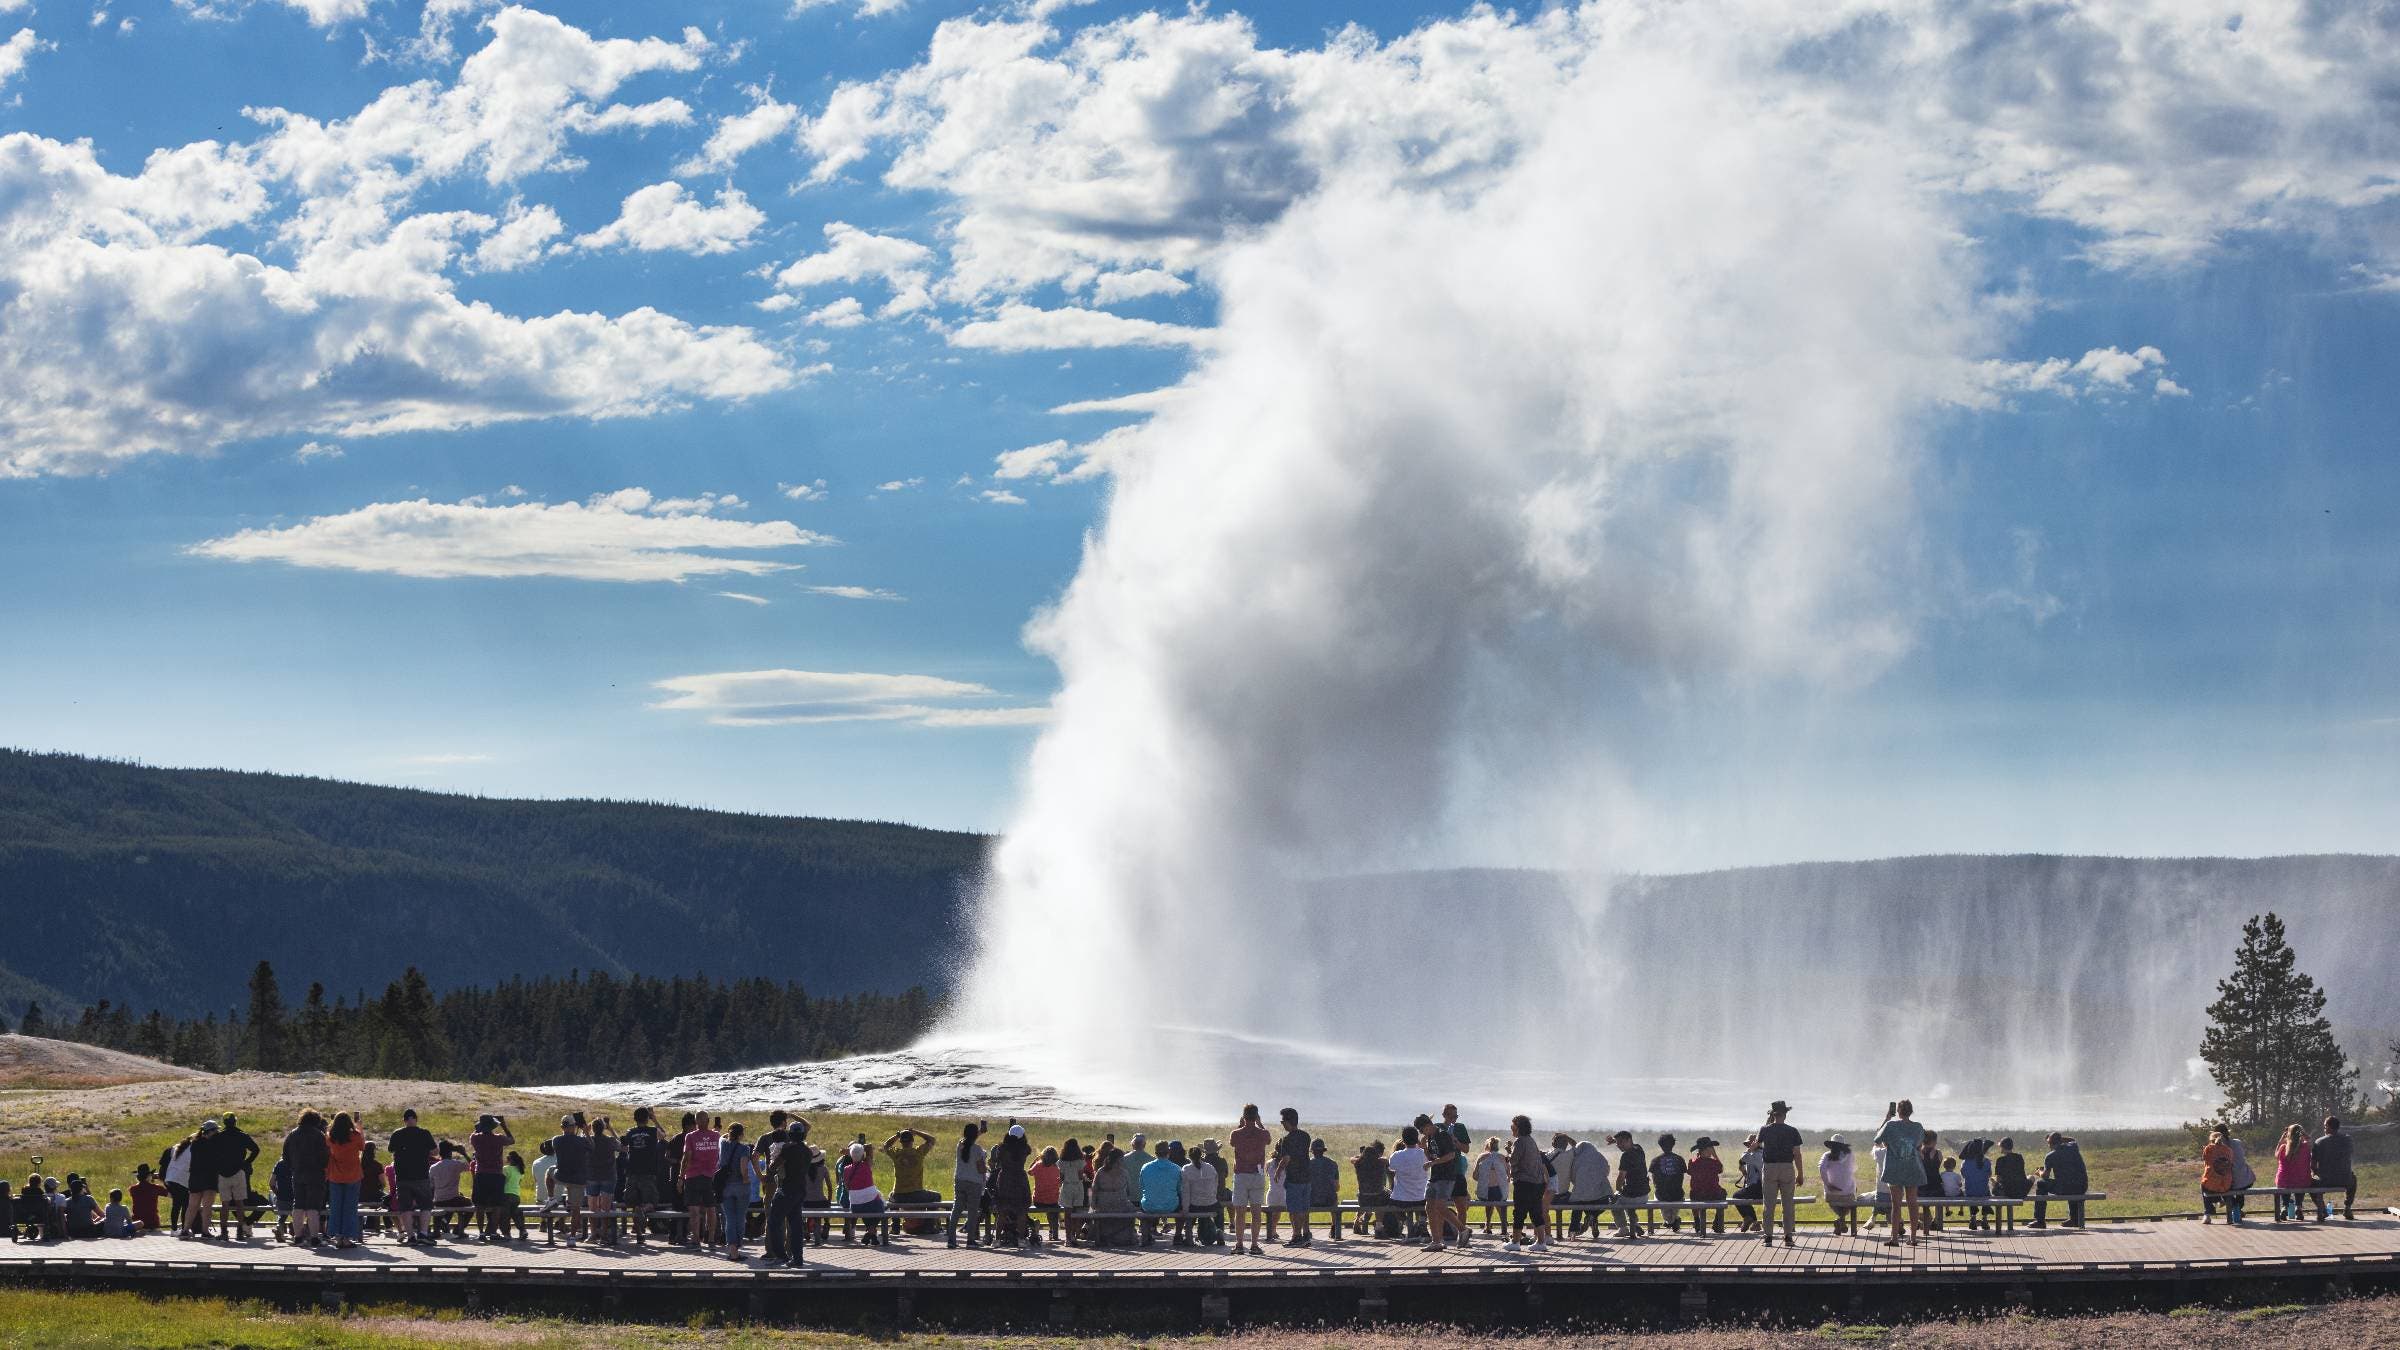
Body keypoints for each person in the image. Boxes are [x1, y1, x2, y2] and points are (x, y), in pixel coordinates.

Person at [1871, 1100, 1927, 1247]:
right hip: (1912, 1167)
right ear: (1911, 1111)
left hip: (1894, 1168)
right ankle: (1913, 1238)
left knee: (1896, 1205)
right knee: (1912, 1203)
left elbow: (1877, 1139)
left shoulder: (1891, 1125)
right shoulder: (1918, 1127)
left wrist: (1887, 1119)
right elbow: (1918, 1145)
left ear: (1898, 1111)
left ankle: (1894, 1238)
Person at [1757, 1101, 1803, 1248]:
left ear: (1772, 1114)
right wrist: (1800, 1173)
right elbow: (1797, 1154)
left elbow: (1755, 1146)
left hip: (1769, 1167)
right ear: (1785, 1114)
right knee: (1787, 1204)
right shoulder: (1793, 1131)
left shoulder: (1765, 1129)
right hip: (1787, 1167)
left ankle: (1768, 1237)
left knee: (1768, 1204)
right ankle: (1788, 1237)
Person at [618, 1108, 667, 1246]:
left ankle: (639, 1234)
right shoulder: (652, 1131)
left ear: (635, 1119)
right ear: (647, 1118)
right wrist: (655, 1119)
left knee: (634, 1203)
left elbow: (623, 1146)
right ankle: (644, 1211)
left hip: (632, 1172)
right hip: (648, 1172)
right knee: (651, 1202)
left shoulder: (630, 1132)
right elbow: (663, 1135)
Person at [282, 1110, 330, 1248]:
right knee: (313, 1207)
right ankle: (314, 1238)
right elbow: (325, 1156)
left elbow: (285, 1155)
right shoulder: (318, 1135)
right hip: (315, 1175)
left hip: (298, 1174)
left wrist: (293, 1167)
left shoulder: (292, 1134)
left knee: (298, 1205)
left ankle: (298, 1237)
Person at [1228, 1104, 1270, 1256]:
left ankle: (1239, 1244)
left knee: (1240, 1212)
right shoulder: (1263, 1133)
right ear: (1256, 1116)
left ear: (1244, 1117)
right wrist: (1260, 1124)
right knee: (1256, 1211)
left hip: (1240, 1175)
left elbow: (1233, 1143)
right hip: (1257, 1175)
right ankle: (1254, 1244)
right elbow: (1268, 1140)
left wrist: (1241, 1125)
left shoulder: (1236, 1133)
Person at [1505, 1115, 1551, 1251]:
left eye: (1512, 1126)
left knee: (1519, 1212)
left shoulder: (1519, 1141)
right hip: (1538, 1183)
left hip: (1524, 1182)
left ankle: (1515, 1242)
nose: (1511, 1129)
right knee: (1536, 1211)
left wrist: (1508, 1156)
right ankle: (1541, 1242)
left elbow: (1514, 1160)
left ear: (1518, 1128)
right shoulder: (1531, 1140)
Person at [467, 1114, 515, 1244]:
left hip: (481, 1174)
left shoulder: (475, 1138)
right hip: (496, 1174)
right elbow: (512, 1140)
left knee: (479, 1205)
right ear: (493, 1126)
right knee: (496, 1205)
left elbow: (474, 1133)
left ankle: (481, 1232)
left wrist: (478, 1127)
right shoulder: (498, 1139)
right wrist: (504, 1125)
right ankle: (493, 1231)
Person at [1422, 1115, 1468, 1249]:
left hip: (1446, 1176)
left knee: (1440, 1206)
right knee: (1429, 1207)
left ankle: (1462, 1229)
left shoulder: (1443, 1135)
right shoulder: (1430, 1137)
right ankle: (1436, 1241)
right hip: (1435, 1175)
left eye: (1424, 1130)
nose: (1424, 1133)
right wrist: (1424, 1147)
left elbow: (1451, 1155)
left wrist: (1433, 1163)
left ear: (1429, 1125)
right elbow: (1432, 1156)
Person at [1271, 1108, 1315, 1247]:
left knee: (1294, 1209)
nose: (1282, 1124)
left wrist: (1278, 1170)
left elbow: (1286, 1159)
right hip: (1306, 1177)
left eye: (1282, 1121)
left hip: (1294, 1178)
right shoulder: (1306, 1136)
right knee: (1304, 1207)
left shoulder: (1287, 1139)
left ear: (1288, 1122)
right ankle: (1306, 1233)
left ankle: (1296, 1236)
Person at [678, 1112, 721, 1248]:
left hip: (692, 1175)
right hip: (711, 1176)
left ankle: (696, 1239)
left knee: (694, 1209)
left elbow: (687, 1157)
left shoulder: (690, 1136)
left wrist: (680, 1177)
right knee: (711, 1208)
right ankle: (712, 1239)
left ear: (696, 1121)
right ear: (708, 1120)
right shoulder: (716, 1136)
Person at [549, 1115, 593, 1244]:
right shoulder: (581, 1141)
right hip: (578, 1178)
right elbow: (592, 1147)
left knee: (549, 1172)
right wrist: (586, 1133)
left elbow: (567, 1144)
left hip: (561, 1175)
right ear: (574, 1127)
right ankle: (573, 1237)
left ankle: (551, 1198)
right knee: (576, 1209)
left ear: (562, 1127)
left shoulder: (556, 1140)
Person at [1386, 1126, 1433, 1248]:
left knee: (1390, 1204)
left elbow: (1391, 1168)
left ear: (1403, 1140)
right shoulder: (1424, 1154)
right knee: (1425, 1201)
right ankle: (1422, 1223)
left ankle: (1408, 1223)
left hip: (1401, 1199)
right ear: (1416, 1138)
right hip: (1422, 1197)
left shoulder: (1396, 1155)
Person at [2031, 1131, 2089, 1229]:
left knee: (2040, 1183)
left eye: (2048, 1143)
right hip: (2082, 1186)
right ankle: (2074, 1219)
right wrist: (2059, 1138)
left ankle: (2040, 1220)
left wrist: (2039, 1172)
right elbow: (2072, 1139)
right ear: (2061, 1141)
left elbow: (2045, 1176)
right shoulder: (2073, 1147)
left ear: (2050, 1143)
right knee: (2070, 1180)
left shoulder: (2050, 1156)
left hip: (2064, 1188)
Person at [1565, 1134, 1618, 1239]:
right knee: (1604, 1200)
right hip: (1599, 1196)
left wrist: (1581, 1183)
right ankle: (1593, 1216)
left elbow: (1572, 1177)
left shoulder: (1576, 1160)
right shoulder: (1599, 1156)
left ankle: (1573, 1231)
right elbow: (1606, 1170)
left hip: (1581, 1197)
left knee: (1577, 1206)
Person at [991, 1123, 1036, 1247]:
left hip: (1005, 1179)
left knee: (1002, 1212)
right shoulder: (1024, 1149)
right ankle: (1021, 1239)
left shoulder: (1002, 1148)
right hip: (1019, 1180)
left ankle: (997, 1240)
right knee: (1021, 1212)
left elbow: (998, 1157)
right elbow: (1027, 1148)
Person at [217, 1115, 260, 1240]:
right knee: (239, 1203)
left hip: (223, 1173)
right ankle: (240, 1231)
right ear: (235, 1122)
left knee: (225, 1204)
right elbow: (256, 1149)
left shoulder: (219, 1137)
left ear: (224, 1122)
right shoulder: (242, 1135)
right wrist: (247, 1162)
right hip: (238, 1172)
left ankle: (224, 1232)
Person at [718, 1123, 758, 1257]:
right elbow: (743, 1168)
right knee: (740, 1217)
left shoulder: (723, 1144)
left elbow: (723, 1137)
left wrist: (728, 1133)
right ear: (741, 1134)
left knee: (729, 1218)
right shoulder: (744, 1148)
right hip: (740, 1185)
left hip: (725, 1186)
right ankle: (737, 1246)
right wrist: (746, 1179)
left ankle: (732, 1248)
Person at [839, 1140, 886, 1248]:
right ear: (862, 1154)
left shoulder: (846, 1169)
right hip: (871, 1202)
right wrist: (853, 1150)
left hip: (855, 1205)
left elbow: (847, 1187)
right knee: (882, 1207)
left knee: (865, 1208)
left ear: (851, 1155)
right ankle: (871, 1232)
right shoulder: (867, 1164)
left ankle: (872, 1234)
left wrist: (849, 1151)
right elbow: (869, 1146)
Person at [1089, 1143, 1136, 1248]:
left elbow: (1094, 1189)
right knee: (1133, 1211)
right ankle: (1126, 1236)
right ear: (1118, 1160)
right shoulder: (1124, 1173)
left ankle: (1108, 1235)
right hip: (1120, 1204)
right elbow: (1129, 1191)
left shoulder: (1101, 1171)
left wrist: (1094, 1203)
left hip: (1103, 1204)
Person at [948, 1122, 987, 1249]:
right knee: (972, 1212)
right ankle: (970, 1240)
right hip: (974, 1183)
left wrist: (980, 1132)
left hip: (960, 1181)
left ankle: (951, 1239)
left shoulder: (960, 1145)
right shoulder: (978, 1150)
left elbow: (969, 1140)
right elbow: (981, 1169)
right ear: (975, 1134)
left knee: (956, 1210)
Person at [1139, 1141, 1185, 1246]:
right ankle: (1178, 1236)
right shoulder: (1176, 1168)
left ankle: (1146, 1235)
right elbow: (1180, 1189)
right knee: (1181, 1206)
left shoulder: (1145, 1167)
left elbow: (1142, 1186)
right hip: (1171, 1205)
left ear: (1155, 1153)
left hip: (1149, 1205)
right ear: (1169, 1152)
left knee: (1145, 1206)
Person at [585, 1116, 620, 1246]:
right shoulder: (610, 1140)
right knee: (606, 1209)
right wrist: (610, 1129)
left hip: (592, 1176)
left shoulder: (588, 1141)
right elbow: (621, 1145)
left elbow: (582, 1137)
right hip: (608, 1176)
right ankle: (604, 1234)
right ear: (603, 1128)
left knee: (592, 1207)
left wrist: (586, 1129)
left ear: (593, 1129)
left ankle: (593, 1233)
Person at [2312, 1116, 2355, 1221]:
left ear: (2329, 1127)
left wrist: (2316, 1173)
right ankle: (2347, 1207)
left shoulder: (2319, 1142)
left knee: (2311, 1183)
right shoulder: (2347, 1139)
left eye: (2325, 1126)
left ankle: (2322, 1210)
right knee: (2353, 1178)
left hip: (2325, 1180)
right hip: (2345, 1180)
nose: (2324, 1128)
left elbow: (2312, 1165)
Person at [884, 1129, 939, 1208]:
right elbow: (932, 1140)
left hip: (899, 1195)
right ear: (912, 1141)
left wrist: (897, 1136)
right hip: (916, 1194)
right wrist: (916, 1132)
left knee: (891, 1195)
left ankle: (895, 1220)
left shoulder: (896, 1154)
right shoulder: (919, 1152)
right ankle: (929, 1220)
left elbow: (886, 1145)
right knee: (937, 1196)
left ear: (901, 1142)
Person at [2201, 1125, 2243, 1225]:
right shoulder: (2229, 1150)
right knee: (2223, 1187)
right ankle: (2224, 1202)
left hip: (2212, 1184)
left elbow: (2206, 1161)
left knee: (2204, 1184)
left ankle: (2208, 1212)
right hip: (2226, 1184)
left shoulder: (2209, 1149)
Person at [1818, 1136, 1860, 1235]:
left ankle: (1840, 1220)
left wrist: (1828, 1184)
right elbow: (1853, 1169)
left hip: (1832, 1193)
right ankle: (1841, 1220)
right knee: (1849, 1201)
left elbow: (1821, 1169)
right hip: (1848, 1192)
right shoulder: (1850, 1155)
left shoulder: (1827, 1156)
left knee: (1833, 1201)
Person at [2270, 1123, 2311, 1222]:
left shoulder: (2283, 1147)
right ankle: (2299, 1207)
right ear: (2300, 1135)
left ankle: (2284, 1206)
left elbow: (2276, 1155)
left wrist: (2280, 1141)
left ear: (2288, 1135)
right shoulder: (2305, 1147)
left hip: (2283, 1182)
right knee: (2299, 1181)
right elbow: (2309, 1140)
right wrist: (2303, 1133)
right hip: (2301, 1181)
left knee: (2286, 1182)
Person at [1687, 1137, 1728, 1235]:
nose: (1712, 1150)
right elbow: (1721, 1169)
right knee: (1723, 1193)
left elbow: (1690, 1171)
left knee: (1692, 1193)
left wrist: (1697, 1158)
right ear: (1706, 1150)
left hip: (1697, 1195)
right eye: (1711, 1148)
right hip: (1712, 1194)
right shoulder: (1714, 1162)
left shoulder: (1692, 1162)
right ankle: (1717, 1223)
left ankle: (1697, 1221)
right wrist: (1715, 1155)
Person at [429, 1141, 471, 1236]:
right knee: (469, 1204)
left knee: (439, 1204)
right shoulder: (456, 1164)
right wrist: (464, 1153)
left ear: (440, 1153)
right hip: (453, 1199)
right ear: (450, 1153)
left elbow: (431, 1186)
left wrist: (432, 1200)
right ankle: (459, 1228)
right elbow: (472, 1166)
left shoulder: (433, 1167)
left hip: (438, 1200)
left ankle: (437, 1230)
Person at [1185, 1144, 1222, 1247]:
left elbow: (1185, 1191)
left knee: (1191, 1208)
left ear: (1189, 1157)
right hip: (1211, 1203)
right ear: (1201, 1155)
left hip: (1195, 1205)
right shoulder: (1210, 1168)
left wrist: (1185, 1207)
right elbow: (1216, 1185)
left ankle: (1188, 1235)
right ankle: (1220, 1230)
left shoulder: (1186, 1169)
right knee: (1219, 1209)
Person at [1649, 1134, 1687, 1234]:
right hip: (1677, 1194)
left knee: (1668, 1218)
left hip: (1661, 1195)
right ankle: (1674, 1220)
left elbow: (1654, 1180)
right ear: (1673, 1145)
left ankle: (1672, 1221)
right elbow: (1681, 1177)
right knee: (1670, 1217)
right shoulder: (1680, 1159)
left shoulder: (1655, 1160)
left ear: (1660, 1145)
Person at [1057, 1140, 1089, 1244]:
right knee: (1077, 1213)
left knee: (1067, 1214)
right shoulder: (1080, 1161)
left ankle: (1067, 1237)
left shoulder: (1061, 1162)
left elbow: (1061, 1177)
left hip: (1067, 1187)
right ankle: (1075, 1235)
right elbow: (1080, 1176)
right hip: (1077, 1187)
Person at [1473, 1138, 1508, 1234]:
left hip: (1484, 1193)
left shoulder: (1481, 1157)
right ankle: (1503, 1226)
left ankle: (1487, 1226)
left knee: (1489, 1197)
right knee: (1499, 1199)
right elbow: (1509, 1175)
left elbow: (1475, 1176)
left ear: (1487, 1146)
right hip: (1500, 1193)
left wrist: (1484, 1180)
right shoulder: (1502, 1157)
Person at [1959, 1138, 1993, 1230]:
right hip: (1983, 1192)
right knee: (1986, 1192)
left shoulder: (1965, 1163)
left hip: (1970, 1192)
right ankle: (1985, 1219)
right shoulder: (1986, 1162)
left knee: (1970, 1190)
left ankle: (1973, 1218)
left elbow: (1963, 1175)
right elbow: (1989, 1175)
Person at [161, 1137, 194, 1232]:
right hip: (181, 1180)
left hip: (171, 1179)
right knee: (185, 1205)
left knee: (176, 1205)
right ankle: (184, 1228)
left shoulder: (176, 1148)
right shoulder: (190, 1150)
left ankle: (174, 1228)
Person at [1733, 1134, 1765, 1232]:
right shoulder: (1758, 1154)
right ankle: (1754, 1222)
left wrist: (1750, 1149)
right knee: (1742, 1195)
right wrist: (1744, 1171)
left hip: (1759, 1188)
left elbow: (1744, 1157)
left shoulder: (1757, 1154)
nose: (1748, 1146)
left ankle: (1750, 1219)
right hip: (1759, 1187)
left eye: (1749, 1144)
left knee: (1736, 1196)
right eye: (1747, 1144)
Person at [130, 1164, 168, 1237]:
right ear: (148, 1176)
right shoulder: (156, 1188)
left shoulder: (132, 1189)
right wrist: (163, 1180)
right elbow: (171, 1195)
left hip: (138, 1223)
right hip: (153, 1223)